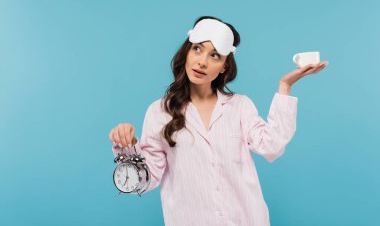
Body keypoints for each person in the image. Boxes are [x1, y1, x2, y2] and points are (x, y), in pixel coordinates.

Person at [108, 16, 328, 226]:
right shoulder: (159, 111)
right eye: (197, 49)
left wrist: (285, 86)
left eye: (215, 55)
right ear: (187, 52)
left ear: (224, 66)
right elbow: (147, 179)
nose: (202, 62)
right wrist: (128, 148)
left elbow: (271, 146)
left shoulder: (240, 106)